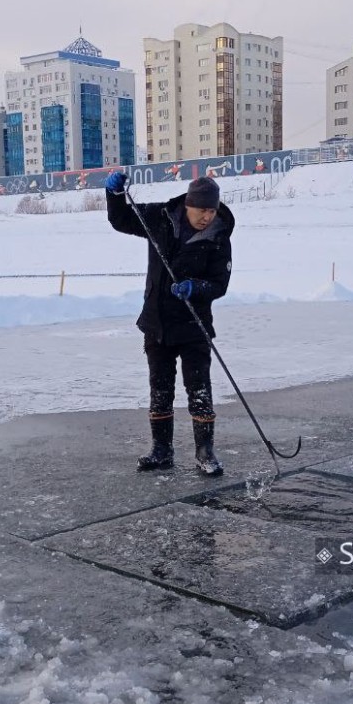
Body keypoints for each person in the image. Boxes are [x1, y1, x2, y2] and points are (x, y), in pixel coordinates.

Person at [104, 170, 234, 476]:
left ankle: (205, 452)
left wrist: (195, 288)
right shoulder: (161, 217)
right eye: (202, 210)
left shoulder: (218, 237)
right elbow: (122, 220)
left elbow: (219, 284)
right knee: (160, 390)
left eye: (211, 210)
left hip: (193, 325)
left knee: (198, 390)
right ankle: (161, 451)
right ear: (188, 205)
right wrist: (114, 194)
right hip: (157, 323)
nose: (206, 216)